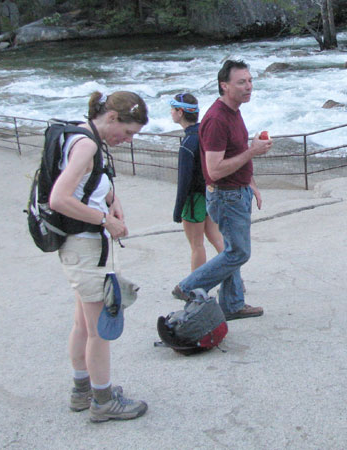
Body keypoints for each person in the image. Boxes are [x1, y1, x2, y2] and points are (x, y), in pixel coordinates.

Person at [49, 90, 149, 422]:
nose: (129, 139)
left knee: (82, 323)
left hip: (78, 245)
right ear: (112, 118)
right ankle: (103, 400)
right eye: (129, 131)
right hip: (85, 245)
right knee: (99, 330)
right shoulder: (89, 144)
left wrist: (111, 199)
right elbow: (59, 198)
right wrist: (106, 220)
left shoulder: (81, 131)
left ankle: (83, 390)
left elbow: (89, 182)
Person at [171, 60, 272, 321]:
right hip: (227, 195)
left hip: (237, 190)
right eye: (242, 82)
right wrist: (252, 152)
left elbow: (235, 155)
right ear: (224, 86)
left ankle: (233, 304)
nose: (248, 87)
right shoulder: (216, 119)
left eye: (250, 81)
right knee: (238, 252)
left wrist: (251, 183)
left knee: (231, 249)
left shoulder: (234, 111)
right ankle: (189, 287)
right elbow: (214, 170)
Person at [170, 93, 225, 271]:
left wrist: (178, 210)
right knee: (217, 238)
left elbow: (184, 181)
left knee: (197, 245)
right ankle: (235, 279)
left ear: (180, 112)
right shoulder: (205, 133)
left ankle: (195, 286)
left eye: (172, 109)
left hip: (194, 199)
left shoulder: (187, 143)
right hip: (211, 192)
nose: (170, 113)